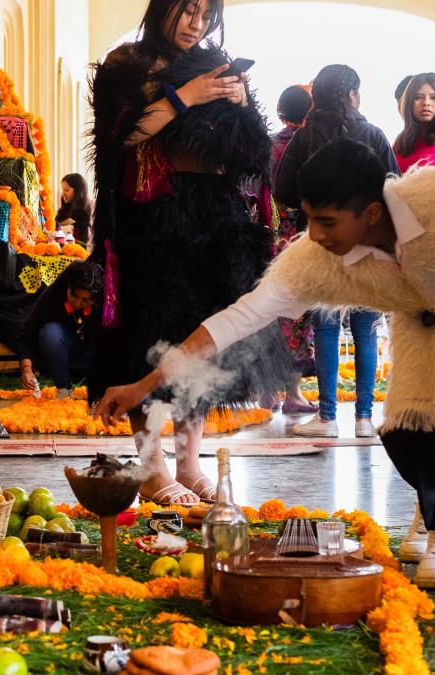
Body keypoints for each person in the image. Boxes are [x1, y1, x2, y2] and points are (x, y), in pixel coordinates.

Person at [98, 139, 435, 590]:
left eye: (327, 221)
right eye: (309, 219)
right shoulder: (315, 260)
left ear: (371, 213)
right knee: (408, 436)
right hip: (417, 321)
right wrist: (146, 384)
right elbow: (240, 317)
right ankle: (430, 509)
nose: (314, 235)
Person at [89, 0, 283, 505]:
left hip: (215, 219)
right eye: (188, 10)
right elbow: (122, 138)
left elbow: (251, 153)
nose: (197, 23)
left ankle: (190, 462)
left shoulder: (214, 61)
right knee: (150, 338)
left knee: (203, 341)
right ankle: (152, 467)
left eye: (205, 14)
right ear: (163, 8)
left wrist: (239, 104)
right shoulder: (126, 64)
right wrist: (186, 96)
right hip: (152, 220)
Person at [275, 64, 398, 439]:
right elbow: (394, 186)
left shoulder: (303, 137)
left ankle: (327, 418)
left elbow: (281, 192)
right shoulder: (373, 134)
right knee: (365, 327)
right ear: (353, 95)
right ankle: (363, 418)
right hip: (366, 242)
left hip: (320, 242)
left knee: (325, 326)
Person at [269, 84, 317, 415]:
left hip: (268, 237)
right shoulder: (308, 142)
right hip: (299, 237)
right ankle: (293, 394)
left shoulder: (268, 144)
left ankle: (265, 392)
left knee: (268, 312)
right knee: (297, 315)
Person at [18, 261, 103, 398]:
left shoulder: (107, 302)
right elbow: (26, 335)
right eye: (74, 295)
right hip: (69, 353)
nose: (77, 303)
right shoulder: (54, 294)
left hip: (100, 355)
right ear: (67, 287)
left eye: (85, 301)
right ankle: (64, 390)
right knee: (50, 333)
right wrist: (27, 369)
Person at [393, 72, 435, 174]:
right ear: (409, 102)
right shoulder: (400, 142)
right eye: (418, 97)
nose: (426, 103)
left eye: (434, 97)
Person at [55, 174, 93, 246]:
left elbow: (86, 241)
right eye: (62, 190)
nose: (63, 194)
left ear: (78, 191)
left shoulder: (87, 211)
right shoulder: (63, 210)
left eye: (67, 190)